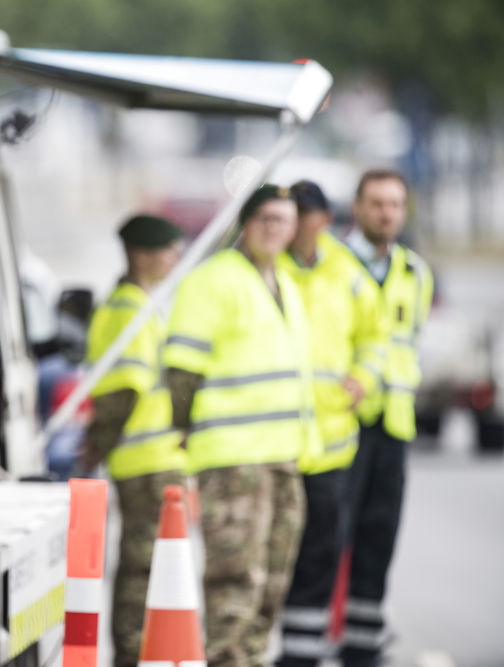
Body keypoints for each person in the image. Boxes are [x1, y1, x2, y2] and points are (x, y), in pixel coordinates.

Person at [163, 184, 320, 667]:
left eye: (283, 220)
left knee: (272, 582)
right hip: (234, 459)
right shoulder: (212, 280)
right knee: (235, 583)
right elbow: (182, 371)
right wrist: (185, 429)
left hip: (282, 455)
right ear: (245, 224)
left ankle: (249, 659)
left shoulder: (285, 282)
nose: (274, 229)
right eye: (265, 219)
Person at [274, 181, 388, 666]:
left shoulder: (346, 271)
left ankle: (300, 654)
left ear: (323, 219)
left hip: (330, 442)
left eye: (308, 215)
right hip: (275, 440)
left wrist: (363, 377)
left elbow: (376, 336)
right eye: (292, 215)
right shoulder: (267, 267)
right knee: (271, 556)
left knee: (320, 554)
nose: (300, 225)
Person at [79, 213, 188, 667]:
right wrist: (96, 448)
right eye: (169, 250)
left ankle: (140, 650)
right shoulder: (129, 308)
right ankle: (131, 653)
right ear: (141, 255)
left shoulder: (140, 302)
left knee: (150, 565)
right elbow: (123, 390)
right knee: (143, 567)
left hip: (152, 456)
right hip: (146, 460)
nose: (177, 258)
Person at [339, 169, 433, 666]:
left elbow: (409, 346)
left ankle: (362, 644)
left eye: (394, 205)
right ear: (357, 207)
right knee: (330, 540)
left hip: (393, 425)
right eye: (376, 203)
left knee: (378, 539)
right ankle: (315, 638)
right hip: (344, 421)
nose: (386, 214)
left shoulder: (415, 272)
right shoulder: (335, 266)